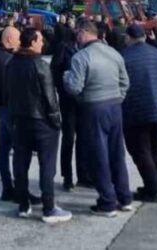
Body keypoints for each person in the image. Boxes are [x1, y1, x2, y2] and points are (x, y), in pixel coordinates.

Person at [63, 19, 133, 216]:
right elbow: (125, 82)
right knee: (117, 152)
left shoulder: (81, 57)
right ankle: (124, 197)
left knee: (98, 155)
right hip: (115, 106)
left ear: (85, 33)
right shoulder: (114, 53)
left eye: (78, 32)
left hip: (94, 107)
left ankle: (107, 202)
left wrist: (66, 77)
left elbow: (74, 87)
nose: (76, 36)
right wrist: (118, 97)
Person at [7, 27, 72, 224]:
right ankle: (49, 207)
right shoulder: (40, 65)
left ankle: (23, 204)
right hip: (41, 121)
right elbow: (50, 97)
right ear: (32, 42)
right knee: (47, 164)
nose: (42, 43)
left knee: (21, 162)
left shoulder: (12, 63)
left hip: (20, 119)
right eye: (40, 40)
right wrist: (56, 121)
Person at [121, 25, 157, 203]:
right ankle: (156, 184)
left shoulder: (125, 57)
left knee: (140, 151)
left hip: (137, 110)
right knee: (154, 148)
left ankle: (152, 190)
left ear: (129, 38)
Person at [50, 19, 88, 191]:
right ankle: (67, 176)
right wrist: (64, 86)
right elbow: (54, 71)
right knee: (68, 139)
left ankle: (83, 174)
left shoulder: (88, 48)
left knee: (84, 138)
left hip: (85, 100)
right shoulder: (64, 47)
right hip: (68, 100)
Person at [0, 25, 20, 200]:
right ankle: (15, 188)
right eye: (17, 39)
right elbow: (8, 87)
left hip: (2, 106)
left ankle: (8, 187)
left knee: (4, 146)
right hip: (8, 107)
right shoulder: (5, 60)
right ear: (9, 39)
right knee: (16, 148)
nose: (19, 42)